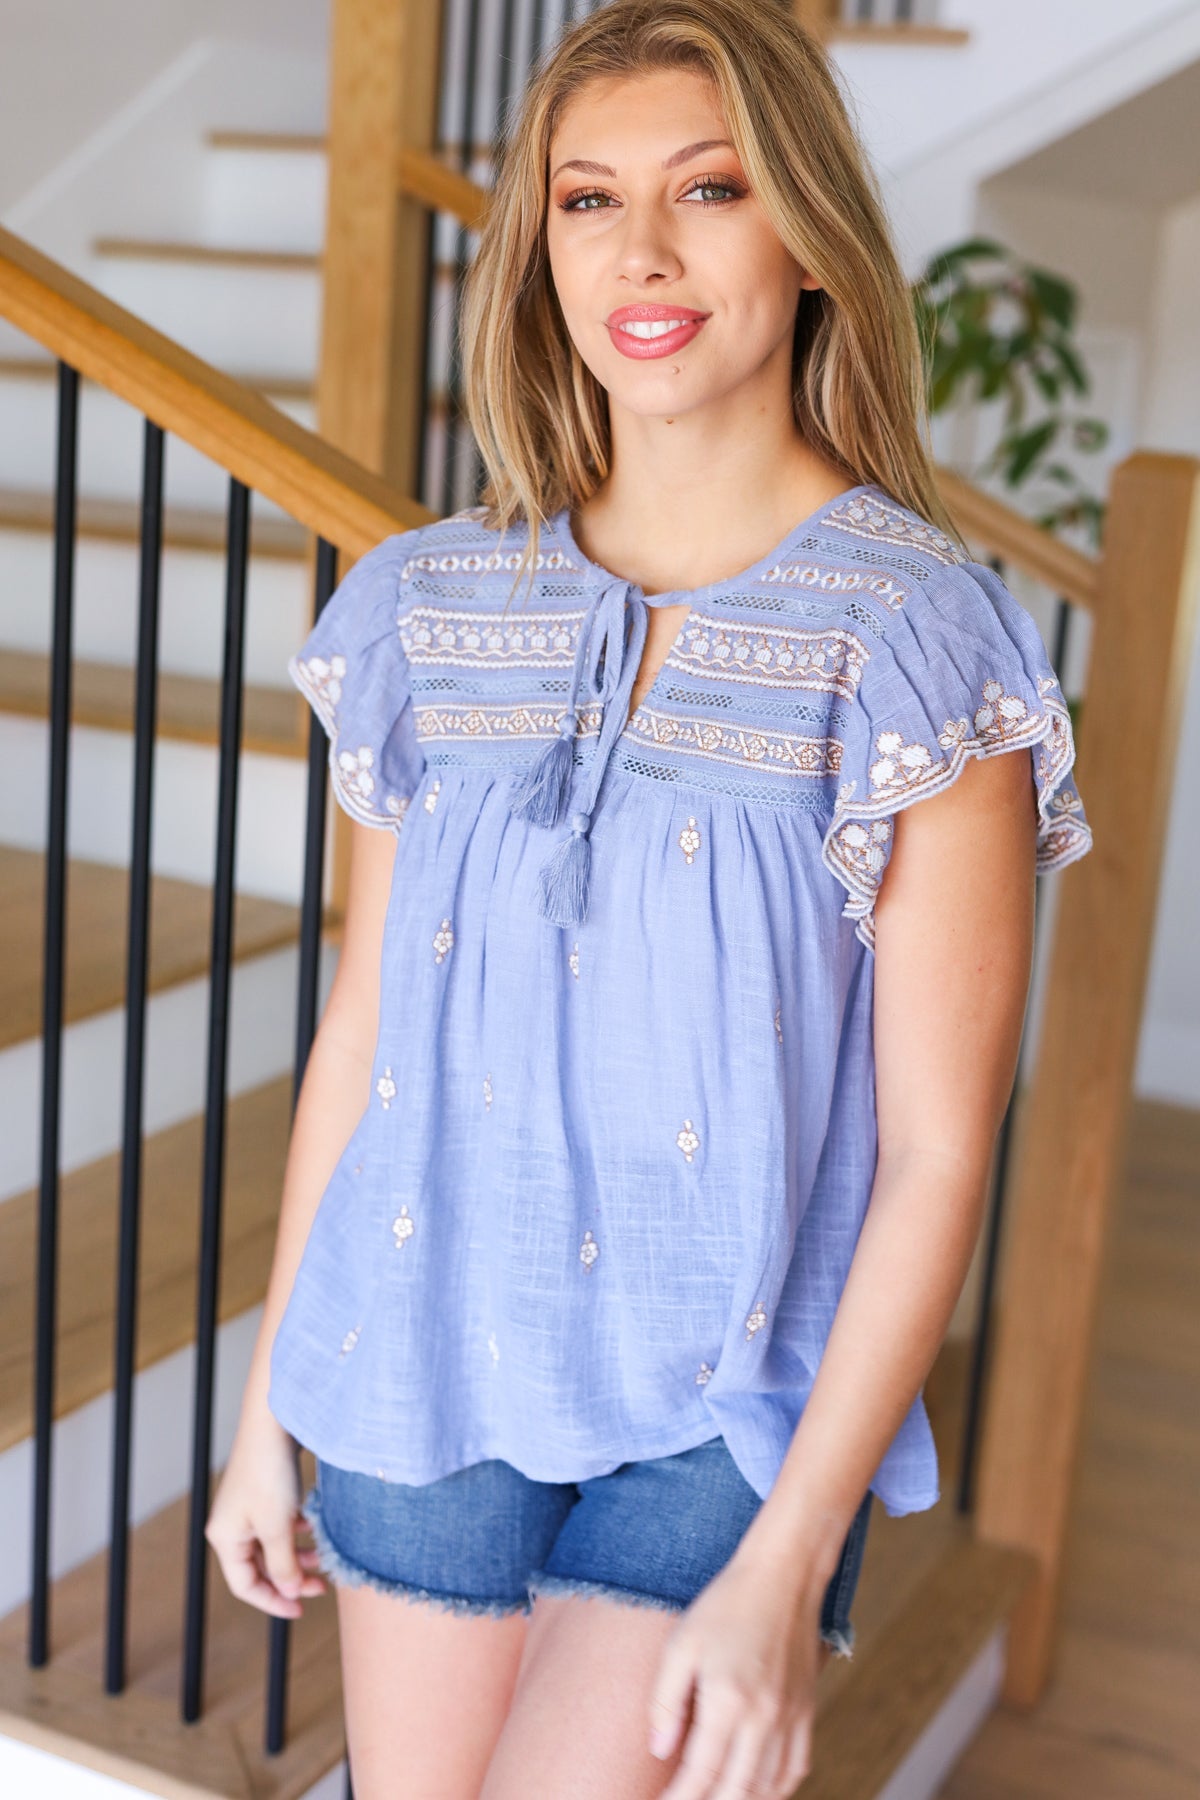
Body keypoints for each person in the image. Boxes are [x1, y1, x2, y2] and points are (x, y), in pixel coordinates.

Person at [205, 3, 1094, 1796]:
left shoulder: (915, 640)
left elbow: (935, 1151)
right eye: (587, 199)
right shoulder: (425, 608)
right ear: (538, 249)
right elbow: (365, 1037)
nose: (643, 252)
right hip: (427, 1358)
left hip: (732, 1407)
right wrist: (261, 1412)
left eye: (710, 189)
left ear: (810, 233)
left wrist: (786, 1566)